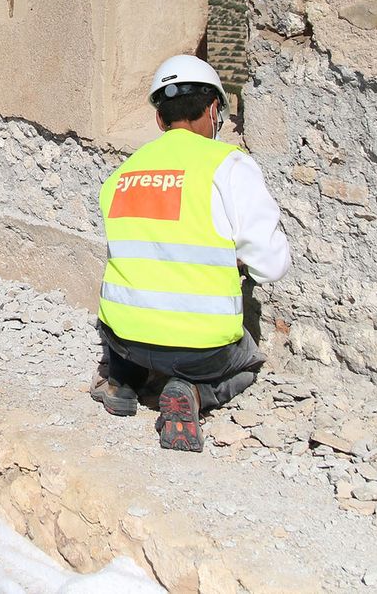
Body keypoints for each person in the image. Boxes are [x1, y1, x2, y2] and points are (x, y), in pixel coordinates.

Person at [89, 55, 291, 451]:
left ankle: (122, 382)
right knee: (249, 359)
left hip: (124, 338)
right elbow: (271, 265)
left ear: (159, 120)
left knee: (131, 336)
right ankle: (193, 394)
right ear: (214, 109)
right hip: (202, 351)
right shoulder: (228, 166)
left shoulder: (122, 175)